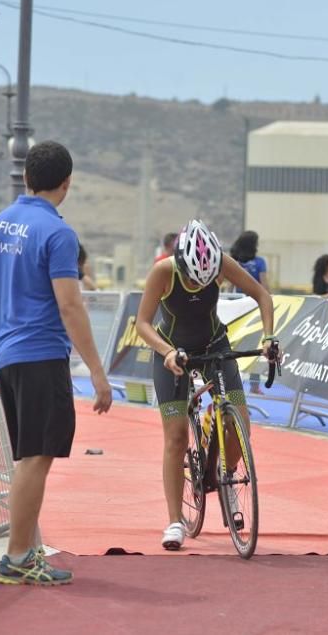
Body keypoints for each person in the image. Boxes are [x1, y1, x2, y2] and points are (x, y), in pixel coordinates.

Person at [0, 142, 113, 585]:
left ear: (27, 179)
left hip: (4, 353)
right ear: (67, 183)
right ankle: (18, 558)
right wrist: (97, 371)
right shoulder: (58, 234)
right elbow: (70, 305)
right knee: (35, 458)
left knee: (28, 456)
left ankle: (24, 551)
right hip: (39, 354)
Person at [135, 219, 276, 551]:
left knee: (239, 420)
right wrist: (167, 353)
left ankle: (225, 476)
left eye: (206, 280)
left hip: (214, 345)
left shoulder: (222, 263)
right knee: (176, 437)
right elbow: (142, 323)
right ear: (180, 264)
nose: (197, 285)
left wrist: (269, 337)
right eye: (190, 279)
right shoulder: (163, 272)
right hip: (172, 350)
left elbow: (262, 296)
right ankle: (174, 520)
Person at [230, 230, 269, 394]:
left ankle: (233, 383)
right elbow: (264, 286)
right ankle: (253, 385)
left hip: (236, 308)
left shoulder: (233, 261)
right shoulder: (259, 262)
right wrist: (269, 301)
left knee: (235, 345)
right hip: (253, 308)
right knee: (255, 346)